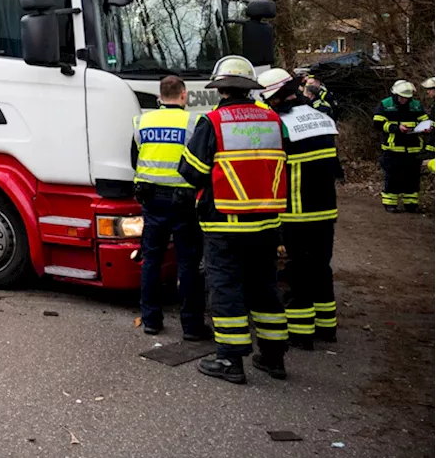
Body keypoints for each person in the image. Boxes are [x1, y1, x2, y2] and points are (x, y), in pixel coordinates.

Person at [180, 56, 289, 384]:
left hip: (225, 224)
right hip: (267, 222)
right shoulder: (273, 120)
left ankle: (230, 360)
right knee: (264, 287)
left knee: (226, 287)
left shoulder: (213, 122)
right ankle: (273, 357)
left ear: (221, 89)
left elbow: (192, 172)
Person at [258, 68, 342, 349]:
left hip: (297, 211)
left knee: (297, 272)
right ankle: (327, 327)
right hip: (326, 210)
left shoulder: (280, 124)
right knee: (321, 267)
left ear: (278, 96)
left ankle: (301, 333)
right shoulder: (320, 117)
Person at [131, 75, 207, 340]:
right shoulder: (194, 122)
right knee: (188, 263)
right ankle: (192, 326)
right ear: (183, 95)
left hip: (151, 200)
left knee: (151, 260)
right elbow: (200, 163)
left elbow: (135, 158)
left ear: (160, 97)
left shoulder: (142, 121)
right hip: (184, 202)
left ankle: (151, 320)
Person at [373, 80, 427, 213]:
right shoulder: (385, 104)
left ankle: (411, 203)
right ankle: (390, 203)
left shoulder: (416, 105)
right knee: (393, 176)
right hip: (393, 148)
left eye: (407, 98)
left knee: (412, 177)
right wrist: (396, 128)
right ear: (395, 94)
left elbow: (424, 119)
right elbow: (378, 123)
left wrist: (426, 127)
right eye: (402, 97)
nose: (404, 100)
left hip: (413, 148)